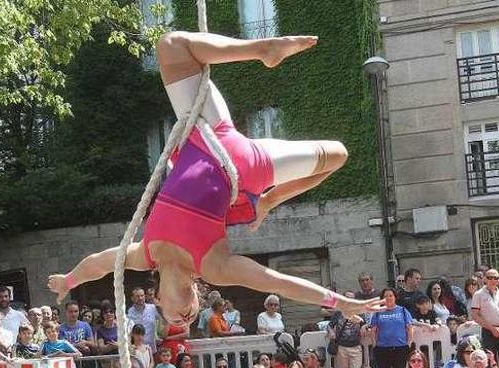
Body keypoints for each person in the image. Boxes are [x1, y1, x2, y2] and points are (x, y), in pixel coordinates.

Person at [48, 32, 384, 329]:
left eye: (178, 318)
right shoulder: (215, 267)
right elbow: (276, 281)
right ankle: (268, 199)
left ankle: (263, 50)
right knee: (338, 155)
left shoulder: (141, 254)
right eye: (193, 317)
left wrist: (69, 279)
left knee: (170, 45)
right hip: (244, 163)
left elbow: (99, 265)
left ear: (157, 301)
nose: (186, 317)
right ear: (197, 295)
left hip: (201, 133)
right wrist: (338, 302)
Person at [369, 288, 414, 368]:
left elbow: (410, 328)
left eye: (390, 296)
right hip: (382, 348)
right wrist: (374, 344)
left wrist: (409, 343)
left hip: (400, 348)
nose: (388, 298)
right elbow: (373, 330)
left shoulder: (402, 310)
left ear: (395, 297)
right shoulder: (378, 312)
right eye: (385, 296)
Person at [127, 287, 160, 351]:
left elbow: (163, 321)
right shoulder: (129, 313)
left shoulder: (153, 308)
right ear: (132, 298)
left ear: (145, 296)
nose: (140, 298)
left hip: (152, 348)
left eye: (142, 295)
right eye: (137, 296)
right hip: (136, 349)